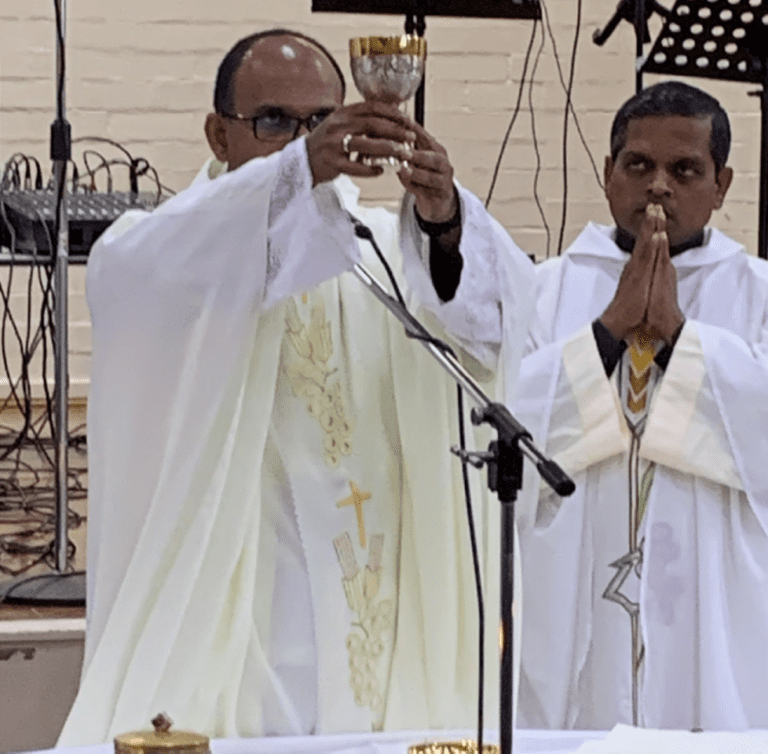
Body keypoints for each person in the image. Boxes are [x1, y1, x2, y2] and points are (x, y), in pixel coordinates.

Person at [57, 29, 534, 744]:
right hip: (247, 601)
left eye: (322, 121)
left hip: (381, 587)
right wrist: (299, 170)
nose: (305, 141)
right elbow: (153, 275)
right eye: (274, 121)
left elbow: (493, 324)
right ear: (218, 134)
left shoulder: (376, 248)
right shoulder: (163, 244)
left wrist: (444, 222)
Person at [514, 80, 768, 731]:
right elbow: (508, 425)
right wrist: (608, 332)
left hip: (714, 596)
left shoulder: (758, 293)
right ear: (607, 173)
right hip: (573, 578)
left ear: (722, 185)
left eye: (685, 170)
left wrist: (682, 336)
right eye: (639, 166)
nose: (659, 186)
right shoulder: (543, 289)